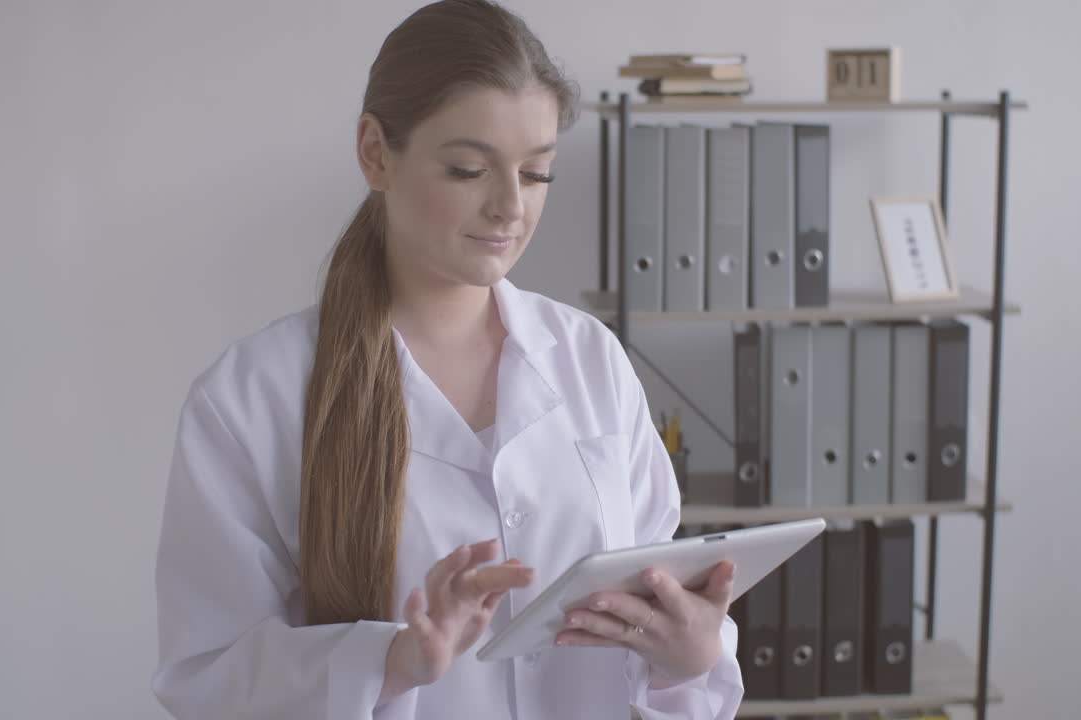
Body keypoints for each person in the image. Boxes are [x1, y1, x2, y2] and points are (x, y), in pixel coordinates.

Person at [152, 1, 744, 717]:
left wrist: (690, 658)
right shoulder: (253, 397)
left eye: (536, 173)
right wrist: (391, 662)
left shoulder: (590, 358)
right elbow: (209, 675)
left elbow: (655, 600)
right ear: (376, 153)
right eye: (469, 169)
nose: (510, 207)